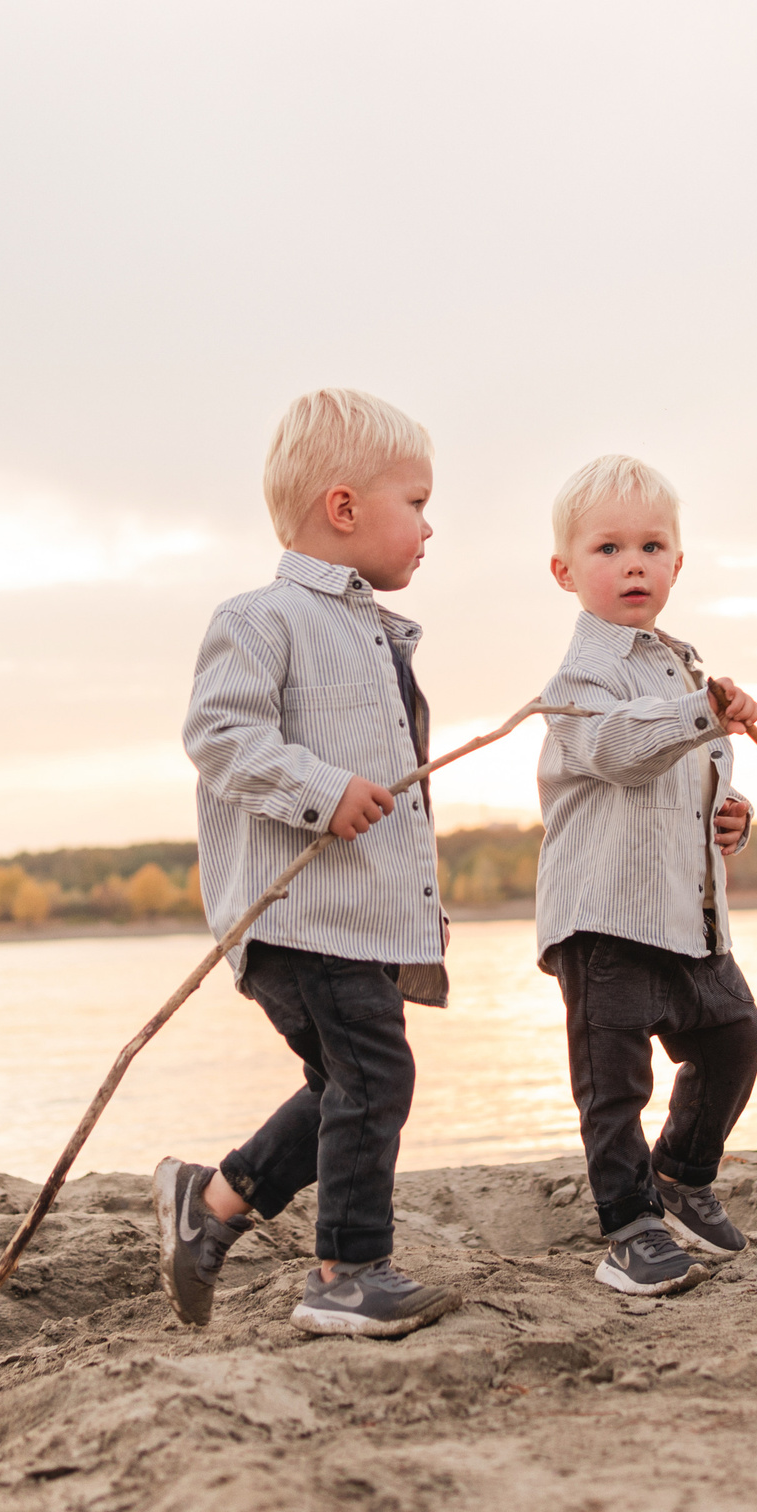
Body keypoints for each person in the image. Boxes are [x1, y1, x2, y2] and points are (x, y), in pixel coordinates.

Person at [152, 388, 460, 1338]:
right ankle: (348, 1269)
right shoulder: (262, 618)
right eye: (415, 501)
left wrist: (417, 908)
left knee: (346, 1084)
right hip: (294, 916)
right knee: (375, 1074)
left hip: (356, 915)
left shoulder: (378, 638)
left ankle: (212, 1206)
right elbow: (218, 733)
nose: (429, 525)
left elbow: (400, 802)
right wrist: (322, 789)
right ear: (343, 508)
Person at [534, 454, 757, 1296]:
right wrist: (701, 712)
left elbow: (694, 772)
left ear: (677, 563)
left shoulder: (685, 666)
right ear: (566, 571)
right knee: (615, 1083)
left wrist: (730, 812)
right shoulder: (580, 679)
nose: (631, 563)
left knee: (735, 1035)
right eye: (607, 549)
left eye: (650, 545)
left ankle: (682, 1173)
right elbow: (621, 750)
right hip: (605, 917)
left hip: (685, 913)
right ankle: (630, 1227)